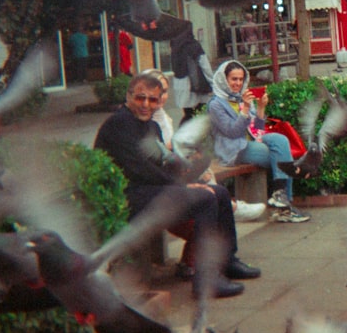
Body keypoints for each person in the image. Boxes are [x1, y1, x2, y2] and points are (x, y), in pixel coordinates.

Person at [93, 72, 258, 298]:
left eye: (152, 99)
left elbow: (161, 166)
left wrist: (191, 171)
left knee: (218, 192)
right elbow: (139, 169)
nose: (145, 104)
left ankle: (227, 260)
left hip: (151, 190)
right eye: (140, 98)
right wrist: (181, 188)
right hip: (129, 196)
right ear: (128, 96)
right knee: (206, 199)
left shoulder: (151, 126)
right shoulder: (119, 124)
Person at [208, 60, 310, 223]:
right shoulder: (215, 105)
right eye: (234, 79)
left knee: (281, 140)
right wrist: (246, 110)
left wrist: (261, 107)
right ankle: (284, 205)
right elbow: (232, 132)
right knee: (283, 157)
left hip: (253, 141)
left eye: (241, 79)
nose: (238, 83)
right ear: (224, 79)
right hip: (234, 148)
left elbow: (258, 129)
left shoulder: (242, 98)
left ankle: (280, 197)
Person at [170, 28, 213, 127]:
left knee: (188, 113)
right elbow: (204, 65)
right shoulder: (194, 45)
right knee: (200, 113)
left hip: (181, 84)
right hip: (197, 84)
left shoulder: (175, 46)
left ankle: (184, 133)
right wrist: (212, 82)